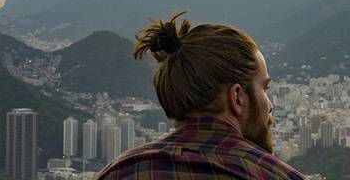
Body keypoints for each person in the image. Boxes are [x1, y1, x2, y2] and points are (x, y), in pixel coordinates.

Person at [95, 12, 306, 180]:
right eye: (265, 88)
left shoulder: (120, 172)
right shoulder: (274, 175)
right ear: (237, 98)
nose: (269, 105)